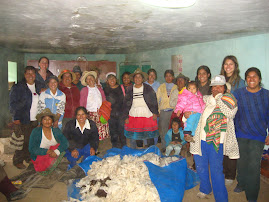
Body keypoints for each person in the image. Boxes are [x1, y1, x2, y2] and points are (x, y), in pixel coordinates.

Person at [190, 75, 239, 201]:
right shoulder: (205, 100)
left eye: (220, 86)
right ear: (211, 88)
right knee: (200, 167)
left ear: (224, 88)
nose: (217, 88)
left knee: (216, 171)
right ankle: (205, 188)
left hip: (216, 142)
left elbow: (229, 113)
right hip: (200, 139)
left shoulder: (230, 100)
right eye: (214, 86)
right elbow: (193, 111)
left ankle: (221, 198)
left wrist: (219, 97)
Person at [233, 67, 269, 202]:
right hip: (241, 134)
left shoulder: (267, 95)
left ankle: (252, 196)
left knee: (253, 166)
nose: (251, 79)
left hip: (258, 136)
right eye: (248, 76)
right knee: (241, 162)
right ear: (245, 79)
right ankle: (241, 183)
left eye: (254, 76)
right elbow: (231, 110)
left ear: (259, 79)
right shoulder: (238, 93)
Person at [9, 66, 45, 169]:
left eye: (32, 73)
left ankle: (29, 157)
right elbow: (12, 104)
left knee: (32, 140)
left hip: (36, 119)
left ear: (35, 75)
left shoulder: (39, 85)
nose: (30, 75)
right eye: (28, 73)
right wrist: (16, 118)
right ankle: (18, 160)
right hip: (23, 118)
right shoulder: (18, 87)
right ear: (25, 75)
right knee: (22, 141)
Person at [220, 55, 245, 185]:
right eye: (226, 64)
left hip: (233, 119)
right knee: (222, 145)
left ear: (235, 66)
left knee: (231, 146)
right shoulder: (220, 79)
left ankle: (230, 175)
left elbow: (241, 102)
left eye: (231, 64)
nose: (228, 66)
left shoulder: (240, 82)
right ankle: (223, 171)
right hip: (220, 118)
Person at [123, 68, 159, 148]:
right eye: (136, 77)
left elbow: (154, 101)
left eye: (139, 77)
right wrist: (126, 116)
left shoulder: (148, 88)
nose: (137, 79)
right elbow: (125, 104)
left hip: (147, 114)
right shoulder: (130, 89)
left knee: (149, 134)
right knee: (137, 135)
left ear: (142, 79)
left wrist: (155, 113)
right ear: (133, 79)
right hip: (134, 114)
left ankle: (151, 152)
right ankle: (139, 150)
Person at [29, 109, 69, 173]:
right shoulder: (36, 131)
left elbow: (65, 143)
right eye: (45, 119)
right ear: (41, 121)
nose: (47, 121)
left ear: (52, 121)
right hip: (41, 157)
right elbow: (32, 148)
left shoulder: (56, 130)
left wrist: (56, 152)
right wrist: (46, 151)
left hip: (54, 155)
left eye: (49, 119)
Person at [80, 71, 109, 140]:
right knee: (91, 134)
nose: (90, 80)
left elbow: (104, 101)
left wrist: (104, 112)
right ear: (86, 81)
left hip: (100, 114)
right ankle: (93, 149)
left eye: (91, 78)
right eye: (88, 79)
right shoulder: (84, 90)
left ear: (94, 79)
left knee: (101, 135)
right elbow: (81, 103)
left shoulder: (99, 89)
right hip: (90, 115)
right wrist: (83, 115)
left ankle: (100, 149)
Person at [157, 70, 177, 151]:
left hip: (173, 111)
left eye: (170, 76)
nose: (168, 78)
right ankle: (164, 146)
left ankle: (173, 146)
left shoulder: (176, 86)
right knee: (163, 130)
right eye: (166, 76)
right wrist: (158, 111)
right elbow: (157, 99)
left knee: (174, 130)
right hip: (163, 112)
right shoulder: (161, 87)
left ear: (173, 77)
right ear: (164, 77)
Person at [104, 72, 126, 148]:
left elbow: (126, 101)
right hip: (111, 114)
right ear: (107, 81)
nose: (112, 80)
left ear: (116, 79)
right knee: (113, 132)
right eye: (109, 79)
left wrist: (126, 114)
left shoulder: (122, 88)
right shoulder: (105, 89)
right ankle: (115, 148)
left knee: (122, 132)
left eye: (113, 78)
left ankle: (124, 147)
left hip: (121, 114)